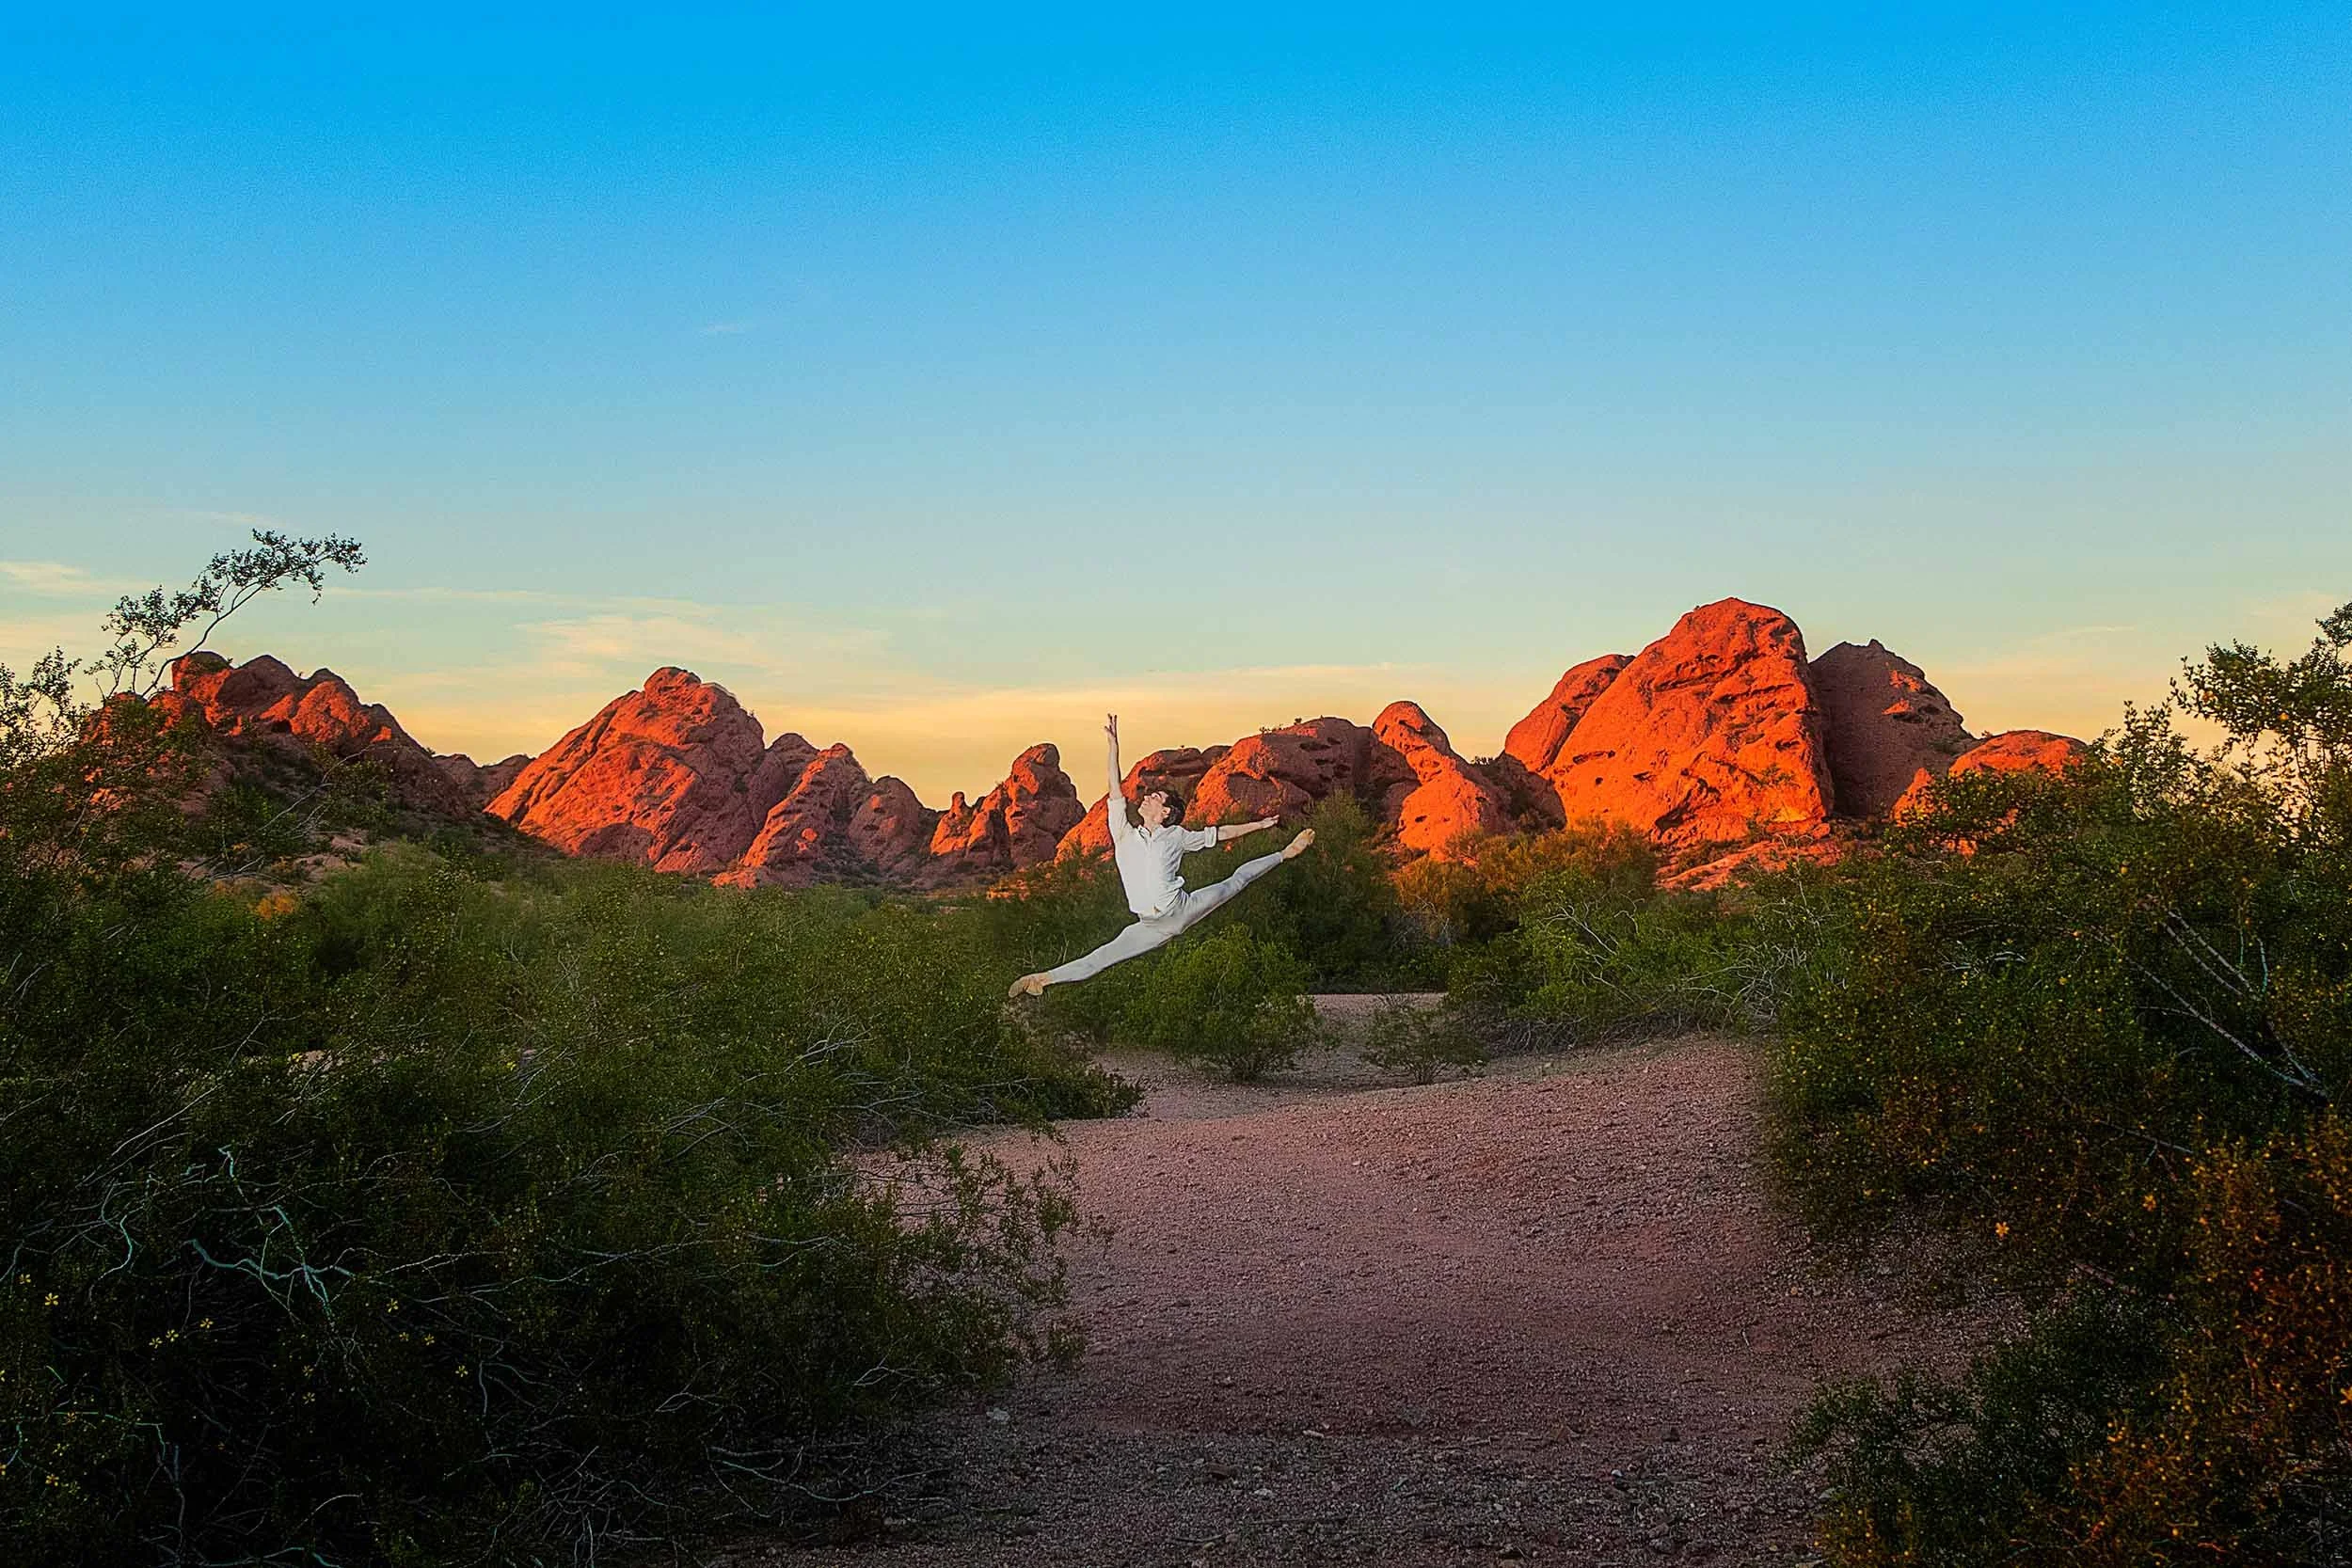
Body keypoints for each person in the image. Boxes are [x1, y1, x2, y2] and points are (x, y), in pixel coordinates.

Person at [1008, 712, 1312, 998]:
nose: (1147, 796)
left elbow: (1221, 834)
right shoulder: (1124, 833)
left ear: (1166, 812)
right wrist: (1113, 747)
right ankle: (1042, 979)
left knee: (1235, 882)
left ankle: (1285, 854)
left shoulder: (1177, 836)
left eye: (1155, 797)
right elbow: (1115, 789)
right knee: (1100, 957)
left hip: (1182, 910)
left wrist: (1259, 824)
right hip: (1148, 926)